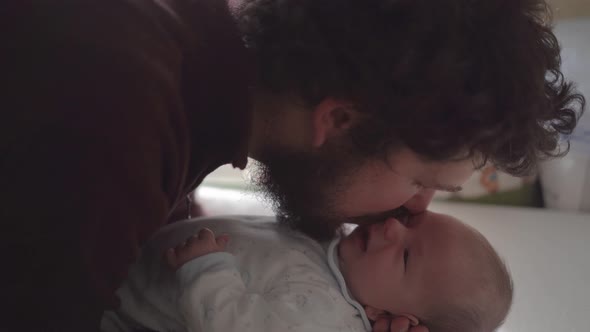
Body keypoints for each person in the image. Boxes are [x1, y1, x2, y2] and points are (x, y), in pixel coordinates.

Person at [0, 0, 583, 330]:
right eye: (421, 182)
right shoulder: (113, 129)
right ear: (339, 121)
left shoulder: (186, 66)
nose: (413, 209)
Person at [101, 211, 513, 332]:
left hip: (115, 309)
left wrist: (204, 269)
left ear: (396, 317)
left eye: (405, 256)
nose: (392, 227)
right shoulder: (336, 252)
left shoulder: (324, 317)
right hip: (132, 252)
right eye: (411, 221)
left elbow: (237, 326)